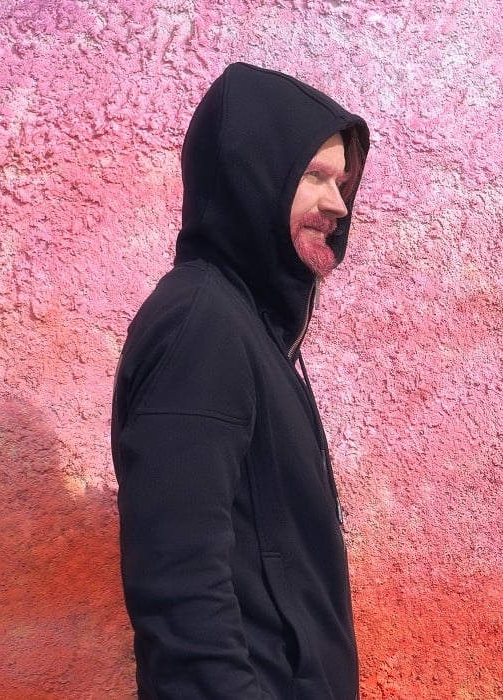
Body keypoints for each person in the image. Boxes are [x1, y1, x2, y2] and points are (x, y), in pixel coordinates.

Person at [111, 62, 370, 700]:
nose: (338, 204)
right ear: (253, 174)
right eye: (314, 176)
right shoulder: (201, 325)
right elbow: (180, 585)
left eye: (342, 182)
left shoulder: (246, 328)